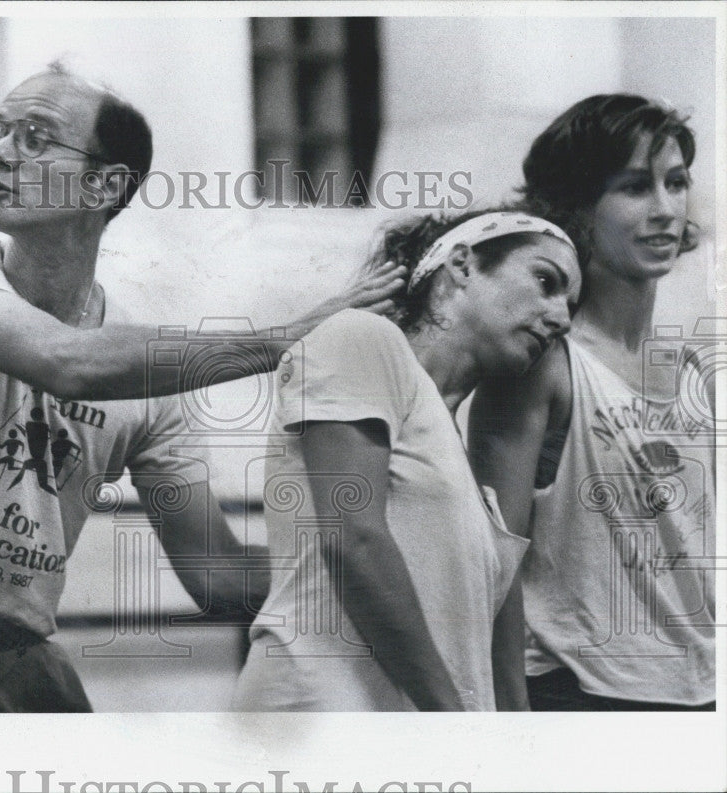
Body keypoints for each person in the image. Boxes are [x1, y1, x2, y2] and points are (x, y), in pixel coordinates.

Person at [0, 63, 404, 713]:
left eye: (36, 136)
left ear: (103, 184)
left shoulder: (147, 378)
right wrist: (284, 338)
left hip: (13, 657)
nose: (2, 151)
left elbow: (217, 575)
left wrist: (382, 564)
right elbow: (61, 359)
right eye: (1, 130)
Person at [231, 209, 582, 711]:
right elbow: (357, 543)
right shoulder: (360, 337)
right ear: (461, 265)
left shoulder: (458, 465)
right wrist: (449, 722)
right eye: (546, 281)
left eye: (569, 304)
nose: (563, 318)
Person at [469, 94, 716, 710]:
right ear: (576, 209)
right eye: (634, 187)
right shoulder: (545, 364)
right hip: (578, 694)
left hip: (696, 696)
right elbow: (489, 562)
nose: (665, 209)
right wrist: (511, 720)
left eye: (676, 182)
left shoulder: (692, 371)